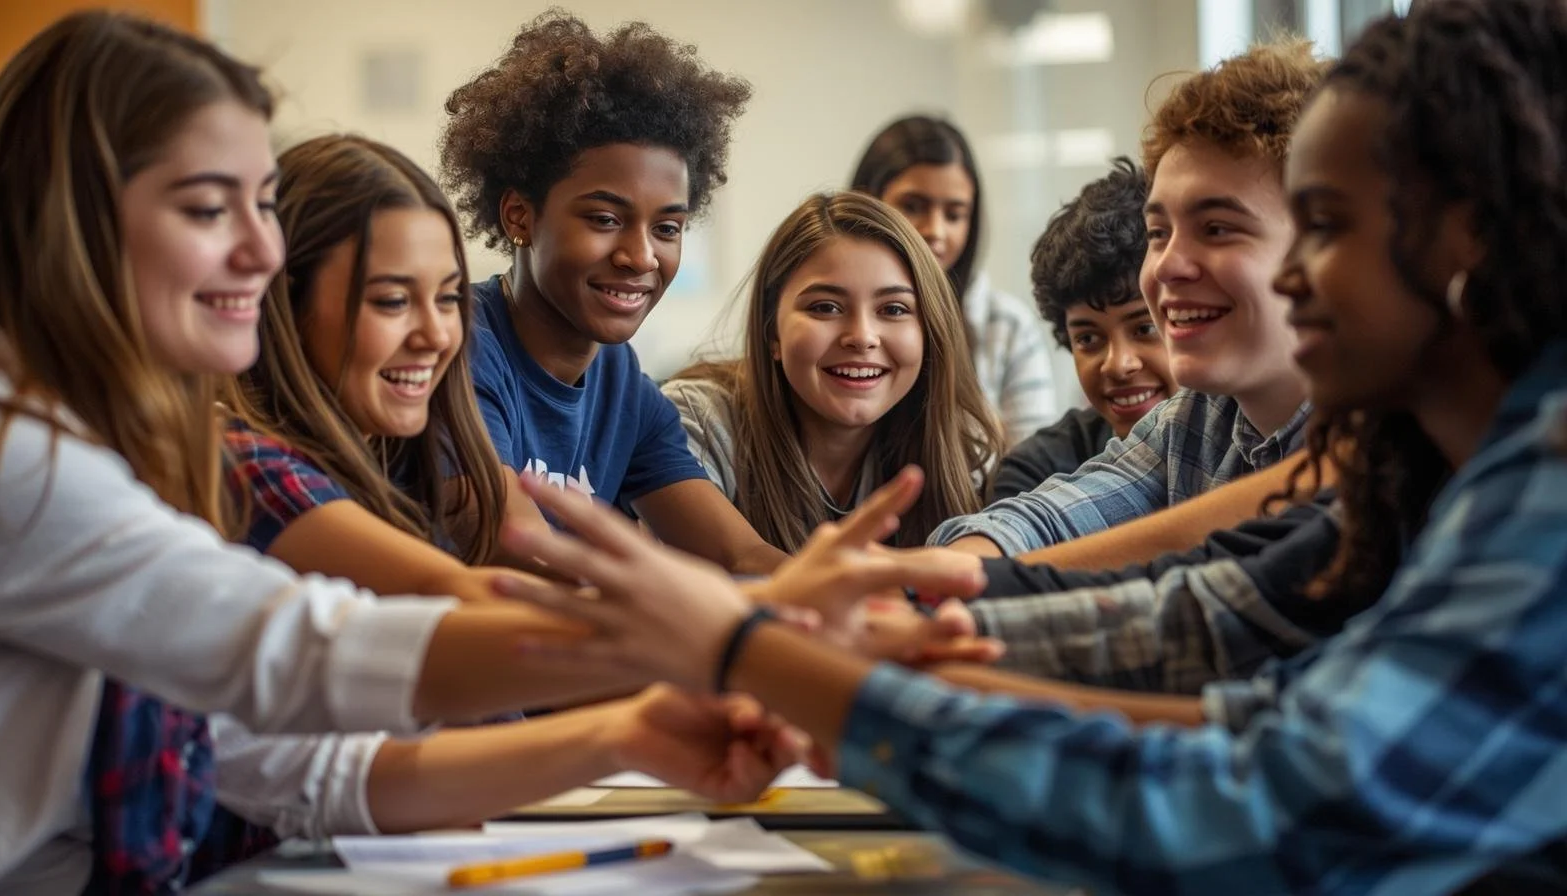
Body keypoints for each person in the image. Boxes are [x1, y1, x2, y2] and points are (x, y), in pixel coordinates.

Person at [488, 0, 1567, 888]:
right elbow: (1195, 616)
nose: (1287, 280)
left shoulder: (1536, 474)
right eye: (1157, 230)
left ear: (1470, 232)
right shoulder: (1379, 453)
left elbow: (1260, 795)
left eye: (1313, 228)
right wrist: (858, 638)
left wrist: (769, 652)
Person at [0, 14, 814, 894]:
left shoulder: (116, 454)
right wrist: (744, 644)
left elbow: (307, 771)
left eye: (264, 204)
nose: (261, 251)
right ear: (67, 220)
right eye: (210, 207)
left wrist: (626, 734)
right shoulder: (9, 465)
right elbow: (320, 649)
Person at [204, 133, 808, 853]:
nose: (436, 334)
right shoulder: (249, 469)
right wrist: (767, 634)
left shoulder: (392, 451)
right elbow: (474, 595)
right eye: (393, 300)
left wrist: (636, 727)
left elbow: (374, 765)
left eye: (449, 299)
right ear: (280, 304)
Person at [934, 43, 1322, 560]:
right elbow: (1048, 516)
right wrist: (937, 569)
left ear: (1326, 246)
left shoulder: (1384, 444)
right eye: (1158, 232)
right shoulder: (1197, 419)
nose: (1166, 265)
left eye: (1217, 229)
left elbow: (1203, 610)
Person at [439, 12, 786, 574]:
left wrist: (854, 596)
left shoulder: (623, 384)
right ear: (519, 216)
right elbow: (520, 543)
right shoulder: (460, 347)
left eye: (667, 228)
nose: (642, 256)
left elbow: (738, 552)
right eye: (605, 218)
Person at [662, 192, 1001, 551]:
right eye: (825, 307)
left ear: (929, 331)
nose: (862, 337)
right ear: (771, 331)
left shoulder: (965, 447)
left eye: (894, 309)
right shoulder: (696, 421)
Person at [851, 115, 1061, 443]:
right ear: (866, 202)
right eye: (913, 206)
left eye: (954, 214)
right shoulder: (839, 324)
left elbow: (1035, 469)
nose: (935, 231)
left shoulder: (1006, 325)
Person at [991, 157, 1176, 501]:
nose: (1119, 365)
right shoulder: (1039, 469)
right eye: (1088, 338)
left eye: (1144, 328)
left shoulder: (1251, 448)